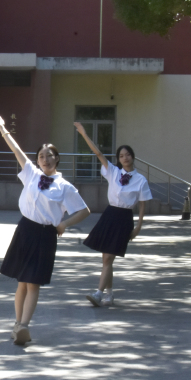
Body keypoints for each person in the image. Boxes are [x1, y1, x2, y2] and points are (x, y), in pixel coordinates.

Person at [0, 114, 90, 345]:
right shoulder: (32, 174)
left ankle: (24, 325)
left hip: (45, 234)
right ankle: (18, 323)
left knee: (33, 281)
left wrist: (64, 224)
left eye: (49, 156)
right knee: (22, 282)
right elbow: (16, 150)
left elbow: (84, 211)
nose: (45, 159)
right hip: (25, 230)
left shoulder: (65, 187)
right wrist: (3, 128)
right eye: (41, 156)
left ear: (57, 159)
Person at [75, 123, 152, 307]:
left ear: (133, 156)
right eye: (121, 155)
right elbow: (98, 154)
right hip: (110, 215)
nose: (125, 157)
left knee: (109, 258)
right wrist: (84, 134)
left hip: (124, 218)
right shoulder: (113, 172)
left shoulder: (141, 180)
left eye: (128, 154)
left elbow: (142, 204)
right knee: (106, 258)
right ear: (118, 159)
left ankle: (99, 293)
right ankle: (109, 293)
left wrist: (138, 226)